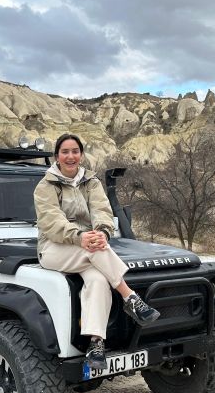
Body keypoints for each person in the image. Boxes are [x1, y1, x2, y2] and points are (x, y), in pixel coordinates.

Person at [33, 133, 159, 370]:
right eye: (65, 152)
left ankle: (96, 343)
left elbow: (102, 209)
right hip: (54, 248)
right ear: (57, 156)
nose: (70, 156)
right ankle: (129, 296)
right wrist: (79, 237)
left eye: (75, 151)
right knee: (96, 252)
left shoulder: (91, 182)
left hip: (89, 244)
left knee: (99, 279)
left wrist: (102, 231)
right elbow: (51, 221)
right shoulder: (46, 186)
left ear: (81, 154)